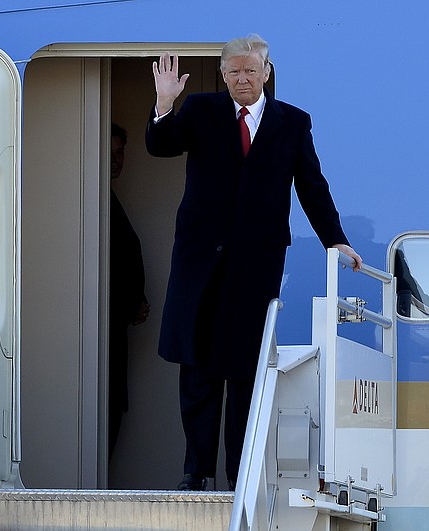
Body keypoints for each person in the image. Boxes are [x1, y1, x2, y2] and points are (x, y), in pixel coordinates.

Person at [145, 35, 362, 491]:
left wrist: (335, 240)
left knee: (245, 370)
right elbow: (160, 145)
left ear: (266, 73)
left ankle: (239, 474)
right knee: (199, 369)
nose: (242, 79)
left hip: (255, 265)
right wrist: (165, 103)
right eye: (234, 72)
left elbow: (312, 186)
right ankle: (196, 473)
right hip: (201, 262)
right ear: (223, 76)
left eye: (250, 70)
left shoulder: (293, 122)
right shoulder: (202, 111)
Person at [108, 123, 150, 462]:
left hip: (115, 338)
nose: (115, 161)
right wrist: (129, 305)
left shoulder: (108, 200)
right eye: (108, 153)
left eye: (120, 153)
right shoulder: (89, 206)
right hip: (100, 342)